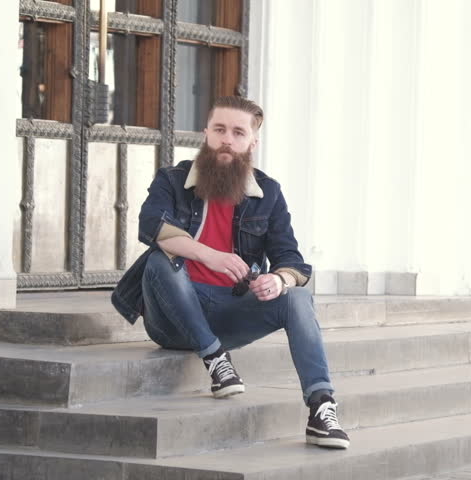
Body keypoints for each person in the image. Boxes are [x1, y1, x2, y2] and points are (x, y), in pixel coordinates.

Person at [111, 96, 349, 449]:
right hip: (170, 316)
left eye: (238, 132)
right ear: (206, 134)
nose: (227, 139)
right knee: (160, 258)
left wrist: (278, 280)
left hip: (229, 314)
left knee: (298, 297)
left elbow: (293, 261)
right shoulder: (172, 180)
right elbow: (151, 225)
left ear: (252, 142)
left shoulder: (268, 193)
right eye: (219, 129)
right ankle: (215, 359)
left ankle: (321, 408)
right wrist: (210, 255)